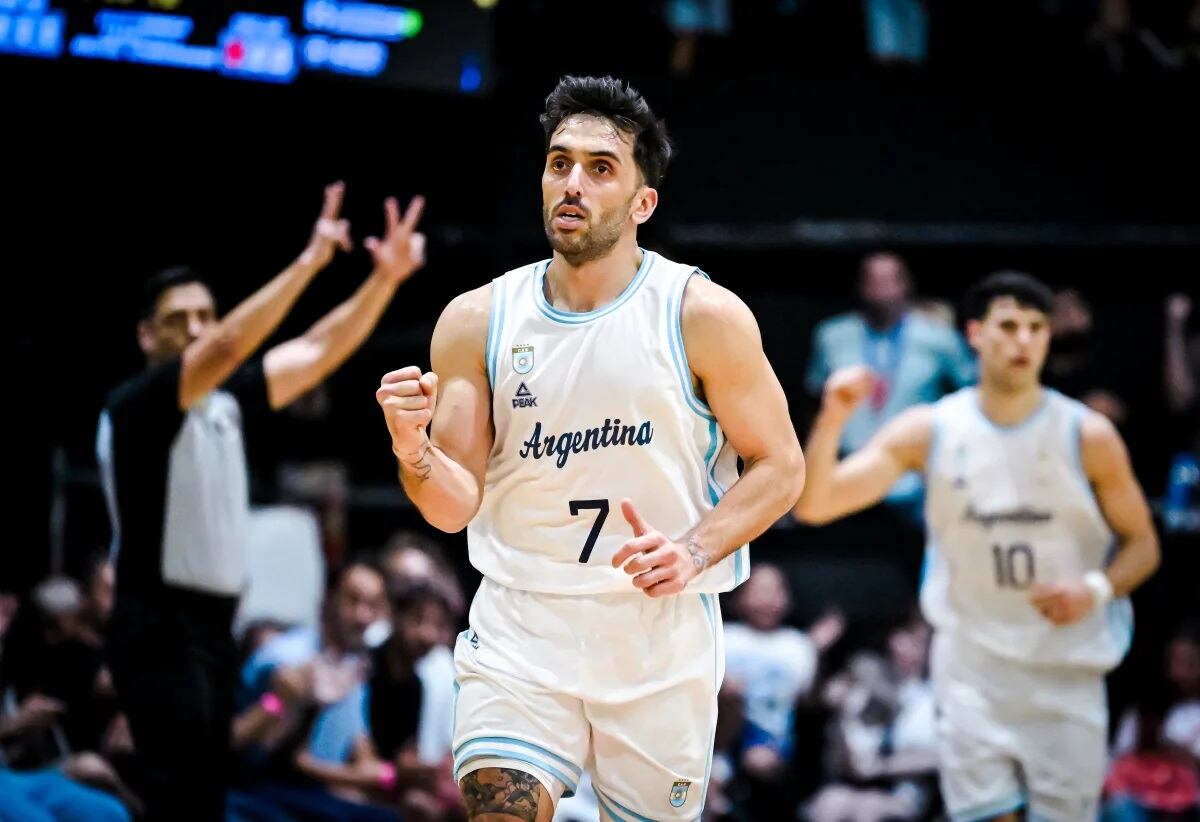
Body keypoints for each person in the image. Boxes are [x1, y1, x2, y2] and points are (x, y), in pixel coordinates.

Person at [376, 75, 805, 821]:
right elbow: (451, 506)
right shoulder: (477, 319)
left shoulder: (700, 314)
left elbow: (782, 466)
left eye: (600, 168)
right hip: (523, 624)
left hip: (656, 635)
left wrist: (694, 549)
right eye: (559, 162)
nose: (572, 183)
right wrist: (413, 451)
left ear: (643, 202)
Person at [97, 182, 426, 821]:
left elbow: (318, 349)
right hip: (157, 625)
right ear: (145, 336)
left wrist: (383, 281)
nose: (197, 329)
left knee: (204, 800)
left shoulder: (225, 402)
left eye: (205, 315)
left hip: (215, 625)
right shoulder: (137, 406)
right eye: (178, 320)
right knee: (179, 803)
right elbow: (226, 346)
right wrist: (309, 262)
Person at [795, 270, 1161, 821]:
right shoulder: (932, 428)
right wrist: (833, 417)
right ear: (974, 334)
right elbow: (816, 505)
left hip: (1065, 670)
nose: (1023, 340)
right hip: (973, 670)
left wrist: (1096, 588)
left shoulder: (1087, 434)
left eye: (1036, 327)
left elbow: (1143, 545)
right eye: (1008, 326)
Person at [805, 251, 974, 515]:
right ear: (860, 286)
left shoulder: (939, 338)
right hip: (847, 466)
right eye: (872, 281)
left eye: (890, 280)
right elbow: (812, 399)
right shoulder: (832, 335)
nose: (882, 290)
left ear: (906, 284)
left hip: (918, 476)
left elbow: (971, 392)